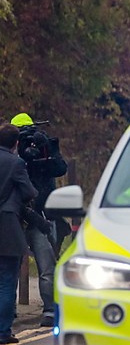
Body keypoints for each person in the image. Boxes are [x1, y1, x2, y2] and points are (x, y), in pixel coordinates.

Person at [10, 112, 67, 327]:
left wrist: (49, 150)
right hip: (18, 215)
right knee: (11, 268)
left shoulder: (44, 146)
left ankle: (50, 310)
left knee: (46, 265)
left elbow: (60, 168)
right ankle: (9, 310)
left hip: (42, 214)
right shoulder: (11, 151)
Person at [0, 123, 38, 345]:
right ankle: (3, 331)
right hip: (7, 227)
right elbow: (29, 192)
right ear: (16, 143)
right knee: (6, 281)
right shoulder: (16, 163)